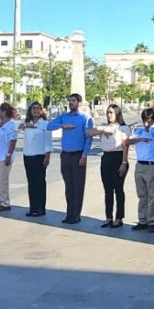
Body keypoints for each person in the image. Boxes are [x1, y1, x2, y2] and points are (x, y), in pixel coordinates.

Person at [47, 93, 94, 224]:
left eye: (73, 101)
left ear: (79, 102)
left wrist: (84, 155)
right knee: (69, 186)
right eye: (69, 101)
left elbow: (88, 138)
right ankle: (69, 213)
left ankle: (76, 214)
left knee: (78, 186)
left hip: (78, 154)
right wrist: (62, 125)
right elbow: (49, 126)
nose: (71, 103)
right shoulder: (64, 117)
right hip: (66, 155)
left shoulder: (85, 118)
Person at [88, 104, 130, 228]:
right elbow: (89, 132)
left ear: (117, 114)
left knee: (118, 189)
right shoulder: (104, 127)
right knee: (108, 189)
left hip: (118, 157)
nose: (109, 115)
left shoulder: (123, 128)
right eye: (108, 112)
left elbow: (125, 146)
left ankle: (119, 217)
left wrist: (124, 162)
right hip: (106, 157)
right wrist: (102, 130)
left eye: (111, 112)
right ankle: (108, 217)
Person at [125, 107, 154, 232]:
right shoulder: (139, 131)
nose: (147, 124)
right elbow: (127, 142)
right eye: (145, 121)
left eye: (149, 121)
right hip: (139, 164)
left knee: (152, 196)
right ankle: (142, 220)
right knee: (142, 195)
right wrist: (139, 139)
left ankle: (152, 221)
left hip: (151, 165)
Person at [21, 101, 53, 217]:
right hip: (28, 155)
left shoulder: (45, 124)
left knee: (40, 183)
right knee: (31, 183)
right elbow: (15, 128)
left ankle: (40, 208)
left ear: (41, 111)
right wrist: (25, 125)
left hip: (39, 156)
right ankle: (32, 207)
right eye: (33, 108)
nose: (36, 110)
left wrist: (47, 157)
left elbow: (48, 142)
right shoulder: (26, 123)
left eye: (38, 108)